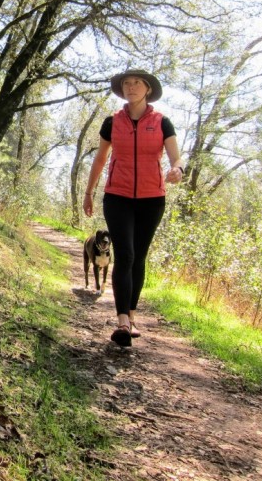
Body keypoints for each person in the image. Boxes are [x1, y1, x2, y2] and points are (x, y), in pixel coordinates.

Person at [83, 69, 184, 347]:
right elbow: (100, 159)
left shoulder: (162, 122)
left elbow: (176, 157)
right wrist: (89, 192)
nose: (131, 87)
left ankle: (134, 315)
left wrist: (177, 169)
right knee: (125, 255)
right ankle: (122, 322)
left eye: (136, 83)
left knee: (139, 256)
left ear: (148, 89)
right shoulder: (111, 122)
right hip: (117, 196)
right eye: (126, 83)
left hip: (153, 199)